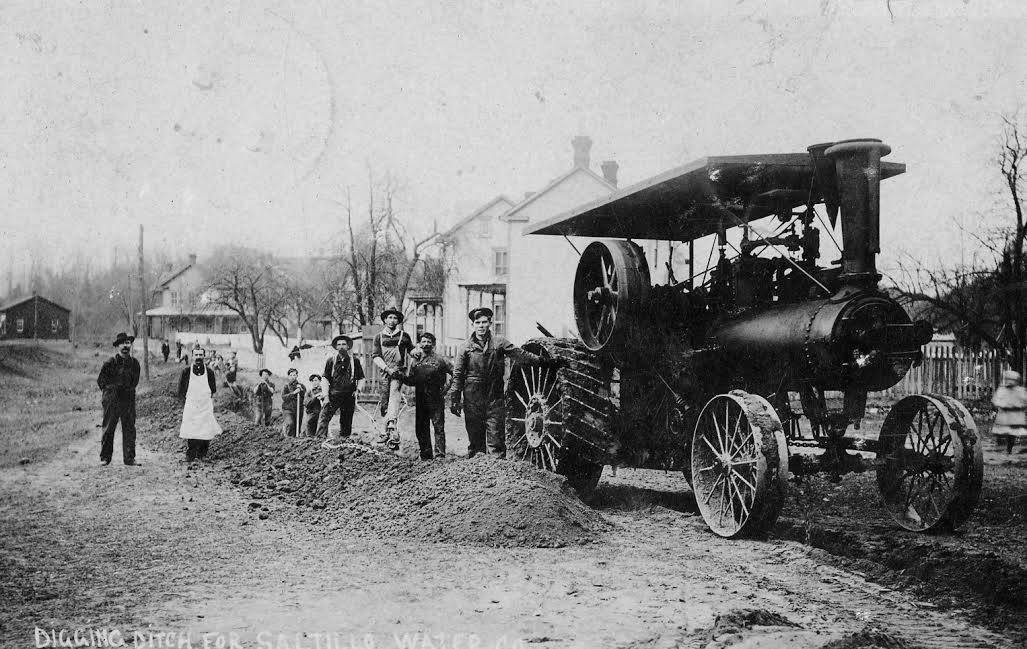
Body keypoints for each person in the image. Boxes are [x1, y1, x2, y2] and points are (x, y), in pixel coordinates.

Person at [449, 307, 558, 458]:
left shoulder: (499, 343)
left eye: (484, 322)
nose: (481, 326)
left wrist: (544, 362)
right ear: (472, 325)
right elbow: (458, 374)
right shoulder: (465, 347)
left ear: (490, 323)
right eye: (477, 322)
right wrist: (454, 397)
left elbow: (521, 355)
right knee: (475, 441)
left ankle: (497, 469)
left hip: (494, 398)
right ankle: (476, 470)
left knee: (496, 441)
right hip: (472, 399)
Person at [402, 332, 453, 460]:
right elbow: (411, 380)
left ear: (433, 344)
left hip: (436, 398)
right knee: (421, 427)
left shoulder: (441, 360)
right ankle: (426, 456)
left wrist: (446, 389)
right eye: (423, 342)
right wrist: (400, 376)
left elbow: (455, 373)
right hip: (420, 398)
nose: (426, 344)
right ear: (419, 344)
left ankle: (440, 455)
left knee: (438, 427)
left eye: (429, 342)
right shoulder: (415, 361)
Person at [371, 308, 414, 450]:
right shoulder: (379, 337)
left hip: (398, 371)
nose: (392, 320)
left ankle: (392, 425)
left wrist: (417, 352)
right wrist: (386, 368)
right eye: (389, 317)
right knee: (384, 402)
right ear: (385, 320)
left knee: (394, 395)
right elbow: (375, 356)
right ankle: (386, 433)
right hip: (385, 372)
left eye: (395, 318)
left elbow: (412, 350)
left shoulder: (404, 336)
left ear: (398, 321)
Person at [96, 332, 142, 466]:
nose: (125, 346)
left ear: (130, 345)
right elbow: (101, 381)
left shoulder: (134, 364)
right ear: (117, 346)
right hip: (113, 400)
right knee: (109, 428)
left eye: (127, 343)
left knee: (129, 428)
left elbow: (135, 382)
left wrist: (127, 390)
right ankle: (105, 457)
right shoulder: (110, 363)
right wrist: (110, 393)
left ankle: (129, 458)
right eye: (122, 343)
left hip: (128, 399)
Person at [319, 335, 365, 449]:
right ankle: (319, 441)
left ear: (348, 346)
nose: (341, 347)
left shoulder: (355, 361)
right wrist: (326, 396)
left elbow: (361, 378)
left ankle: (344, 443)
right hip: (333, 395)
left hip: (349, 395)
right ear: (336, 347)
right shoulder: (331, 360)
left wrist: (358, 390)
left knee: (346, 420)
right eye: (339, 345)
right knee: (325, 417)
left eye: (343, 344)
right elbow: (325, 379)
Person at [177, 347, 221, 461]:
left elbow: (213, 389)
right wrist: (186, 404)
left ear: (204, 356)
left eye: (200, 355)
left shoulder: (209, 372)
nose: (198, 357)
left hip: (205, 405)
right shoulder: (186, 372)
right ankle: (191, 454)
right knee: (192, 429)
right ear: (192, 356)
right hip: (191, 405)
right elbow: (181, 390)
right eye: (196, 355)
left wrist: (206, 401)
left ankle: (202, 454)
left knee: (205, 429)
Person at [992, 370, 1027, 454]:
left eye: (1013, 380)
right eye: (1008, 380)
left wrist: (1019, 406)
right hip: (1004, 416)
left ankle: (1009, 449)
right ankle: (999, 447)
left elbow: (1025, 401)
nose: (1010, 382)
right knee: (1000, 432)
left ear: (1017, 381)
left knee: (1012, 433)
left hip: (1015, 417)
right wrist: (1002, 405)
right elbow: (995, 401)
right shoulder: (1002, 390)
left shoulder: (1020, 391)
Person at [281, 368, 307, 437]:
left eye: (294, 375)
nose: (293, 377)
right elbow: (283, 397)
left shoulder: (301, 386)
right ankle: (288, 438)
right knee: (290, 423)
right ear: (288, 376)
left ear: (297, 376)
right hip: (288, 409)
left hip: (298, 409)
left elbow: (305, 396)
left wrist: (301, 390)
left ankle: (294, 440)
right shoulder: (286, 386)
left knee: (297, 427)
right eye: (291, 375)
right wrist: (293, 393)